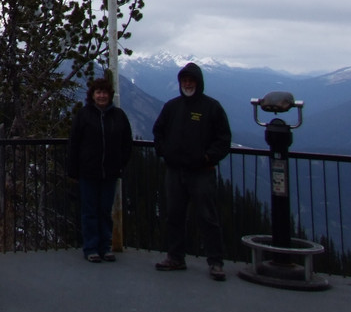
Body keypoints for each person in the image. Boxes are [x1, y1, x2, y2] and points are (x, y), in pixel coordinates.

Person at [151, 61, 232, 281]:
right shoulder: (171, 107)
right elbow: (157, 131)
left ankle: (215, 262)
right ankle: (175, 257)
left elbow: (224, 139)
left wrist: (208, 157)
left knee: (208, 217)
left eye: (191, 80)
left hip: (201, 172)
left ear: (198, 83)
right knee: (174, 216)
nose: (187, 84)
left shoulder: (212, 108)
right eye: (184, 81)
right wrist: (163, 151)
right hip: (175, 171)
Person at [66, 73, 133, 263]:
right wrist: (73, 170)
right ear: (92, 95)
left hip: (110, 173)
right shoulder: (84, 115)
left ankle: (106, 247)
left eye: (104, 92)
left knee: (105, 211)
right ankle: (91, 248)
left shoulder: (118, 116)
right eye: (98, 92)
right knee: (89, 211)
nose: (101, 96)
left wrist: (121, 163)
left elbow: (127, 143)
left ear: (109, 95)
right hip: (88, 173)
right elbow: (74, 143)